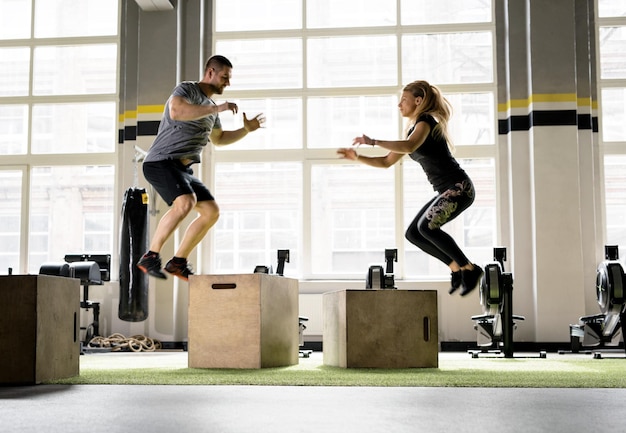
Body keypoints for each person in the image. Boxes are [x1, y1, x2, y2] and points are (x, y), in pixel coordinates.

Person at [337, 80, 483, 296]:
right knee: (413, 234)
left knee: (427, 228)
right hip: (446, 190)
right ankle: (456, 268)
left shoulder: (426, 121)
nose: (399, 105)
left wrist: (373, 141)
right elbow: (386, 162)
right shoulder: (413, 130)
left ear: (418, 100)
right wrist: (358, 157)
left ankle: (470, 268)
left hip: (459, 188)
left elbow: (409, 147)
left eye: (403, 100)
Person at [137, 55, 265, 281]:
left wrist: (246, 130)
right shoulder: (187, 90)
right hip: (160, 161)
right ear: (211, 73)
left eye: (229, 78)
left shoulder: (211, 108)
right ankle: (150, 256)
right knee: (186, 202)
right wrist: (218, 109)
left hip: (182, 169)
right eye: (224, 77)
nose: (227, 83)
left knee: (211, 211)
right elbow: (177, 111)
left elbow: (220, 139)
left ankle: (178, 262)